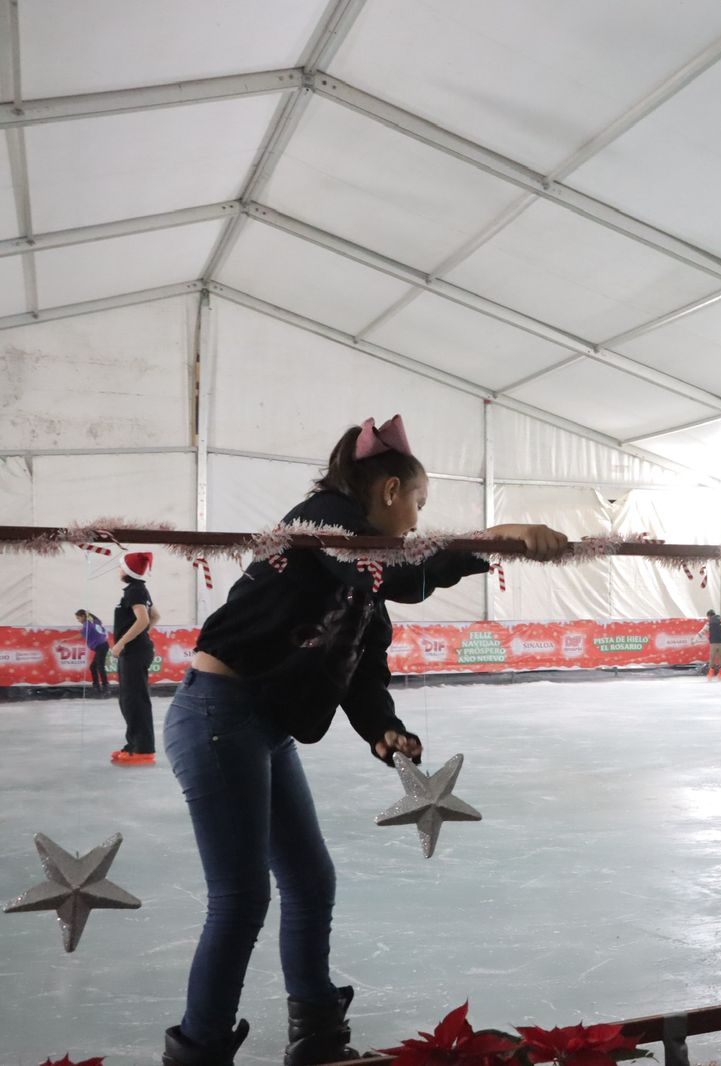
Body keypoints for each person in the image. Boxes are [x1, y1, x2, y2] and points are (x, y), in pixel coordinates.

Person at [159, 415, 568, 1066]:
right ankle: (199, 1052)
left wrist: (386, 732)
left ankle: (317, 1034)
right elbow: (407, 571)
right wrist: (494, 539)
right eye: (418, 504)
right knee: (241, 898)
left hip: (261, 725)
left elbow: (361, 670)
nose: (414, 521)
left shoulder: (357, 577)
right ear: (387, 492)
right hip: (219, 714)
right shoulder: (324, 525)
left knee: (310, 879)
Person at [109, 551, 159, 765]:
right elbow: (155, 616)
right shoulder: (138, 590)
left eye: (121, 567)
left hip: (134, 652)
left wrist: (121, 643)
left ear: (128, 571)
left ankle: (142, 749)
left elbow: (143, 619)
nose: (119, 570)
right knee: (130, 699)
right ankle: (134, 745)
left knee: (134, 700)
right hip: (137, 650)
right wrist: (141, 635)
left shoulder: (135, 591)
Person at [76, 608, 110, 696]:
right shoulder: (94, 621)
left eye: (78, 618)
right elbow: (99, 621)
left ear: (83, 616)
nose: (78, 620)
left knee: (100, 666)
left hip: (101, 646)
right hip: (102, 646)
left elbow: (80, 635)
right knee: (93, 667)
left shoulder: (87, 624)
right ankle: (97, 687)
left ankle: (105, 687)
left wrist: (65, 639)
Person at [698, 609, 721, 679]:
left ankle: (711, 673)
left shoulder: (709, 623)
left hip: (713, 642)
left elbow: (703, 631)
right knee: (720, 656)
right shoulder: (720, 620)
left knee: (712, 657)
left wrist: (696, 637)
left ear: (709, 616)